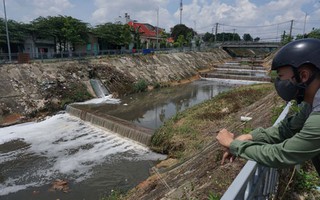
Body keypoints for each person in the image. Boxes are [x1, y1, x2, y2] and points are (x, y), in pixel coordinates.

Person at [216, 38, 320, 174]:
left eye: (281, 76)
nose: (278, 81)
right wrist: (250, 136)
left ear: (303, 75)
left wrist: (232, 144)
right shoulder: (311, 106)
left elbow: (282, 155)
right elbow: (286, 129)